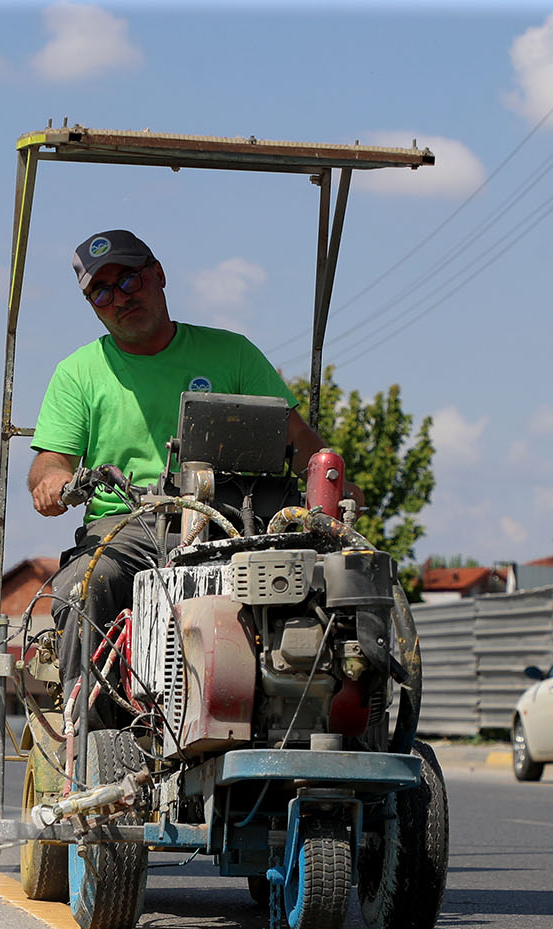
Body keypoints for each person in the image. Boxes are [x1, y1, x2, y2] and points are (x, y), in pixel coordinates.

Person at [27, 229, 334, 726]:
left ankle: (311, 718)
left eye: (129, 279)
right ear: (92, 306)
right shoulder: (78, 373)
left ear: (158, 274)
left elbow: (299, 442)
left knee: (331, 582)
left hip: (234, 522)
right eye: (101, 292)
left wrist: (332, 485)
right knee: (82, 588)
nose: (120, 298)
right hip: (128, 525)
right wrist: (52, 481)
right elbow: (50, 461)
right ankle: (95, 746)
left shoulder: (231, 355)